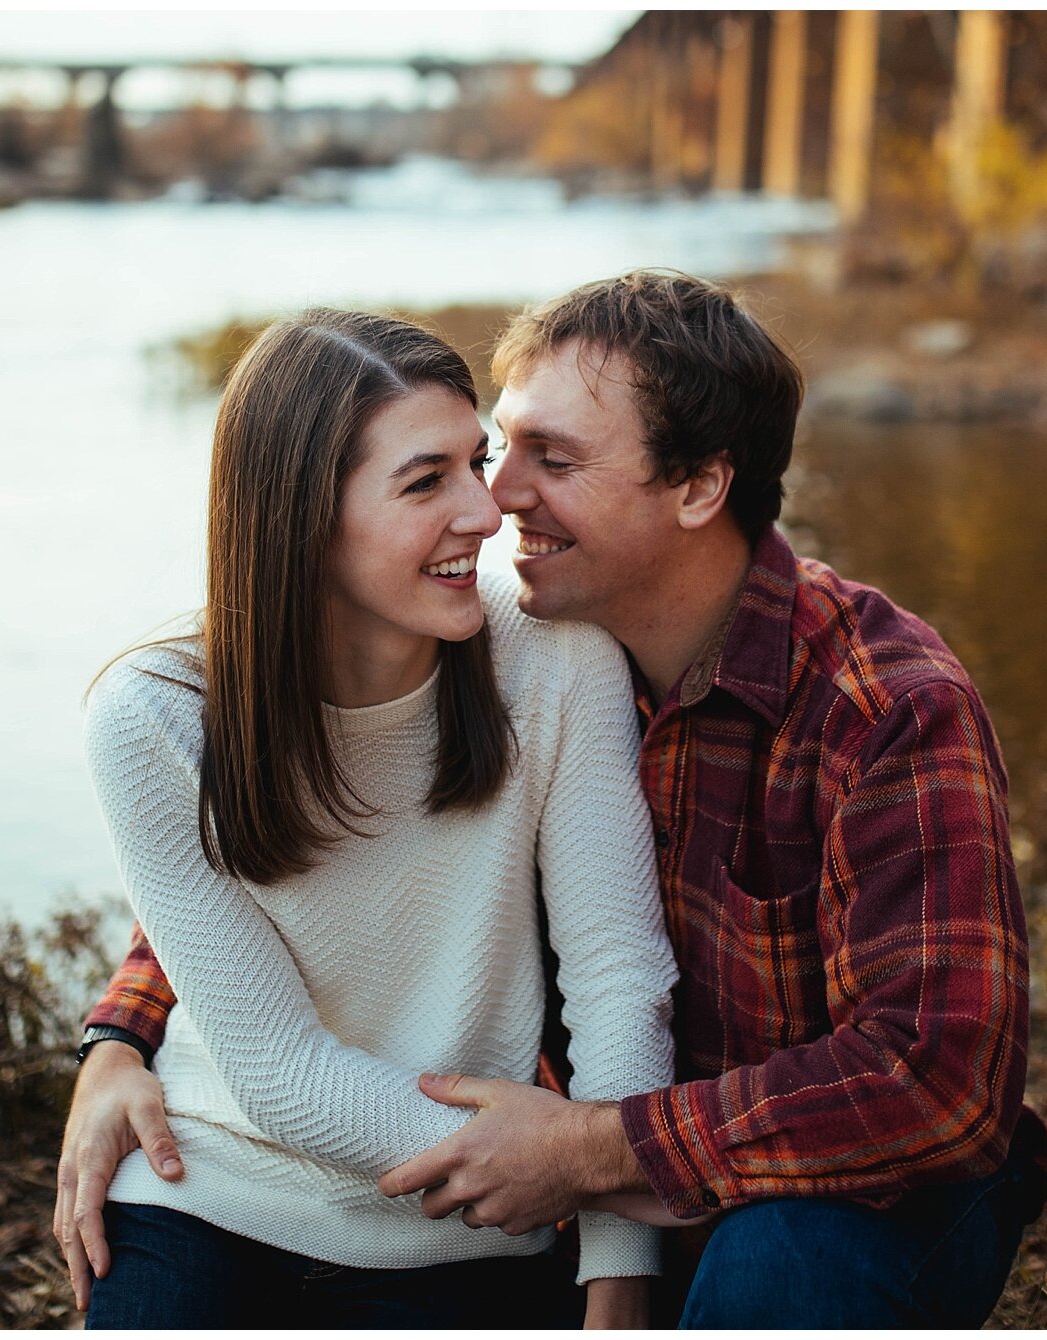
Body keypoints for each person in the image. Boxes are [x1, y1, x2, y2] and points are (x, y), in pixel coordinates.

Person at [65, 272, 1047, 1328]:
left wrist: (591, 1166)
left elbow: (931, 1079)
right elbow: (294, 875)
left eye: (553, 460)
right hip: (558, 1173)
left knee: (778, 1266)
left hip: (833, 1174)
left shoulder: (881, 708)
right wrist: (117, 1038)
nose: (497, 502)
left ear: (696, 488)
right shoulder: (525, 631)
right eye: (501, 448)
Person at [62, 308, 679, 1330]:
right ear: (303, 514)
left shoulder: (552, 656)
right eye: (424, 480)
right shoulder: (153, 716)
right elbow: (278, 1073)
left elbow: (615, 968)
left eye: (472, 463)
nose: (487, 514)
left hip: (473, 1220)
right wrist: (580, 1162)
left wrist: (615, 1268)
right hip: (209, 1191)